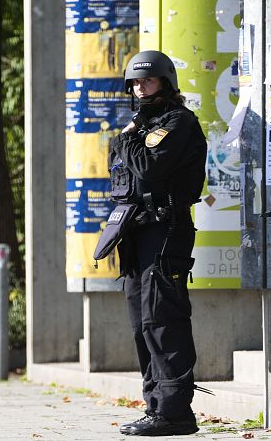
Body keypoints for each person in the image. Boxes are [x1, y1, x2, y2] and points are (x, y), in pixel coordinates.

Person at [109, 50, 207, 436]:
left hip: (166, 231)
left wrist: (126, 141)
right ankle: (156, 407)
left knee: (162, 320)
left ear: (165, 82)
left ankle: (175, 412)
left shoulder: (177, 122)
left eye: (146, 81)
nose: (139, 88)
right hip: (138, 233)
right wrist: (129, 139)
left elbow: (149, 167)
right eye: (134, 83)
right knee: (142, 323)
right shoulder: (142, 125)